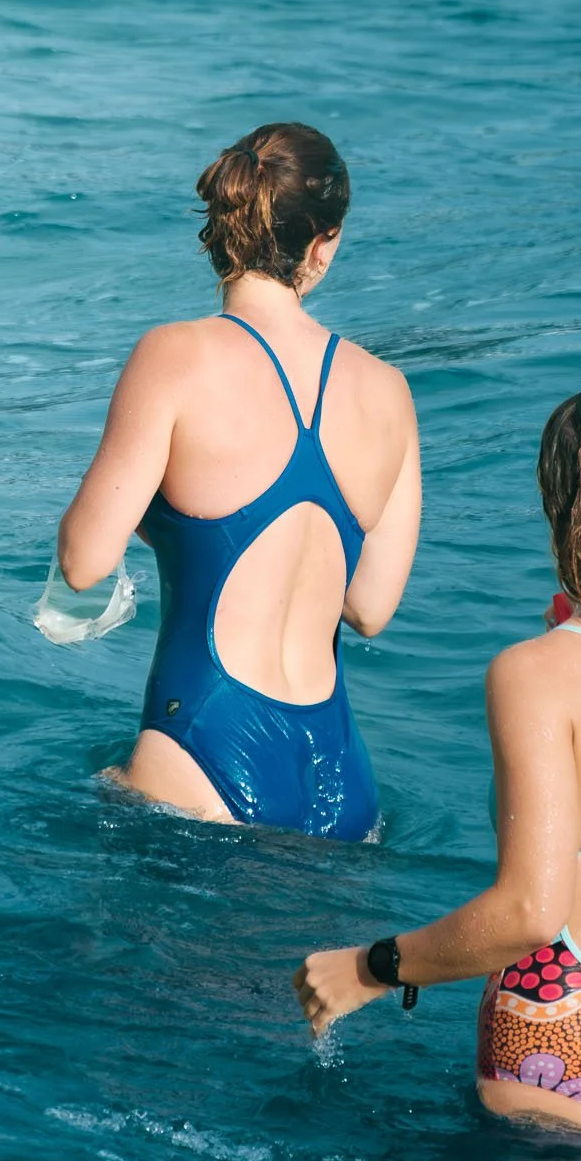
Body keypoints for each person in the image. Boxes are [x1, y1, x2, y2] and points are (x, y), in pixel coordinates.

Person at [292, 378, 581, 1135]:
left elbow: (529, 913)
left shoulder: (536, 674)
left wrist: (368, 969)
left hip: (561, 1050)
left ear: (556, 511)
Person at [56, 122, 421, 840]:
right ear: (324, 243)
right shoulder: (387, 390)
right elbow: (371, 607)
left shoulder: (175, 356)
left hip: (202, 749)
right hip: (341, 774)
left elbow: (82, 565)